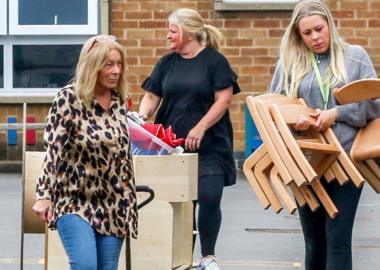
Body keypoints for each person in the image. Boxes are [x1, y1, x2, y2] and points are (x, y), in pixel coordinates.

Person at [269, 1, 380, 269]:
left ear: (330, 25)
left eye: (319, 29)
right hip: (306, 161)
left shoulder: (354, 57)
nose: (315, 38)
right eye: (307, 33)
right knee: (314, 242)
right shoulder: (289, 64)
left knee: (338, 238)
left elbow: (374, 104)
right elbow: (274, 106)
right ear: (298, 35)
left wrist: (337, 113)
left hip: (347, 162)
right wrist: (294, 119)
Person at [138, 8, 240, 270]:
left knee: (208, 197)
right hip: (173, 149)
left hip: (210, 147)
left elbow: (224, 100)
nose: (168, 35)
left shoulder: (214, 61)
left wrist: (200, 127)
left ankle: (208, 257)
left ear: (189, 32)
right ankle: (181, 260)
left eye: (173, 30)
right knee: (182, 207)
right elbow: (152, 96)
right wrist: (141, 117)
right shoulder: (167, 63)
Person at [32, 35, 138, 270]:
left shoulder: (120, 101)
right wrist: (44, 194)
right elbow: (53, 150)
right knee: (85, 265)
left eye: (119, 64)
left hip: (113, 202)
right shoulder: (68, 99)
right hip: (73, 199)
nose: (116, 71)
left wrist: (128, 199)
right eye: (108, 64)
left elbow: (122, 155)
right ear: (92, 66)